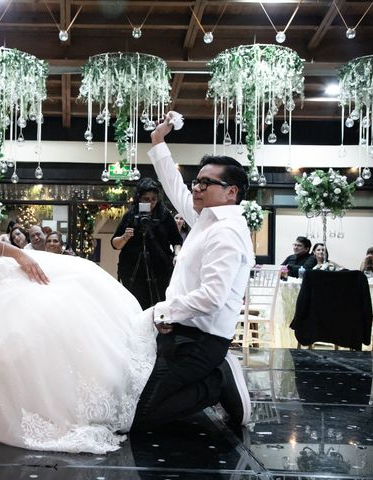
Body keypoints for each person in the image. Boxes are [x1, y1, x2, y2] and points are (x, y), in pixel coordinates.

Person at [0, 113, 155, 454]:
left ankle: (103, 384)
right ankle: (73, 397)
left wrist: (13, 256)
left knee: (77, 275)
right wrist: (16, 255)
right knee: (51, 304)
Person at [131, 111, 255, 432]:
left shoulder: (226, 230)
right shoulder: (207, 218)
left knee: (144, 414)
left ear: (232, 192)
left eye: (206, 182)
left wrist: (162, 311)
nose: (196, 188)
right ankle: (208, 377)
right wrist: (158, 141)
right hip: (181, 332)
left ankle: (217, 380)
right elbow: (173, 186)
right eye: (196, 181)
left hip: (203, 341)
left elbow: (213, 298)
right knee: (135, 400)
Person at [111, 178, 183, 309]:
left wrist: (177, 255)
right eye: (146, 199)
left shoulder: (164, 215)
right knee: (135, 306)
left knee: (159, 305)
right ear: (139, 198)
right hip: (132, 270)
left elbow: (177, 240)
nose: (150, 203)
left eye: (154, 199)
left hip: (160, 270)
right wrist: (125, 237)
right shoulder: (131, 216)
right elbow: (115, 244)